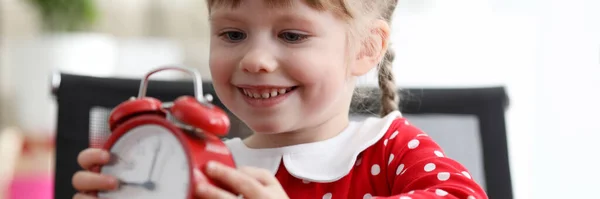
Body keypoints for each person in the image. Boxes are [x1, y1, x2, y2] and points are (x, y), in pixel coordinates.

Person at [71, 0, 488, 198]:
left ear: (365, 48)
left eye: (292, 35)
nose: (254, 59)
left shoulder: (390, 150)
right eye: (233, 34)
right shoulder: (199, 164)